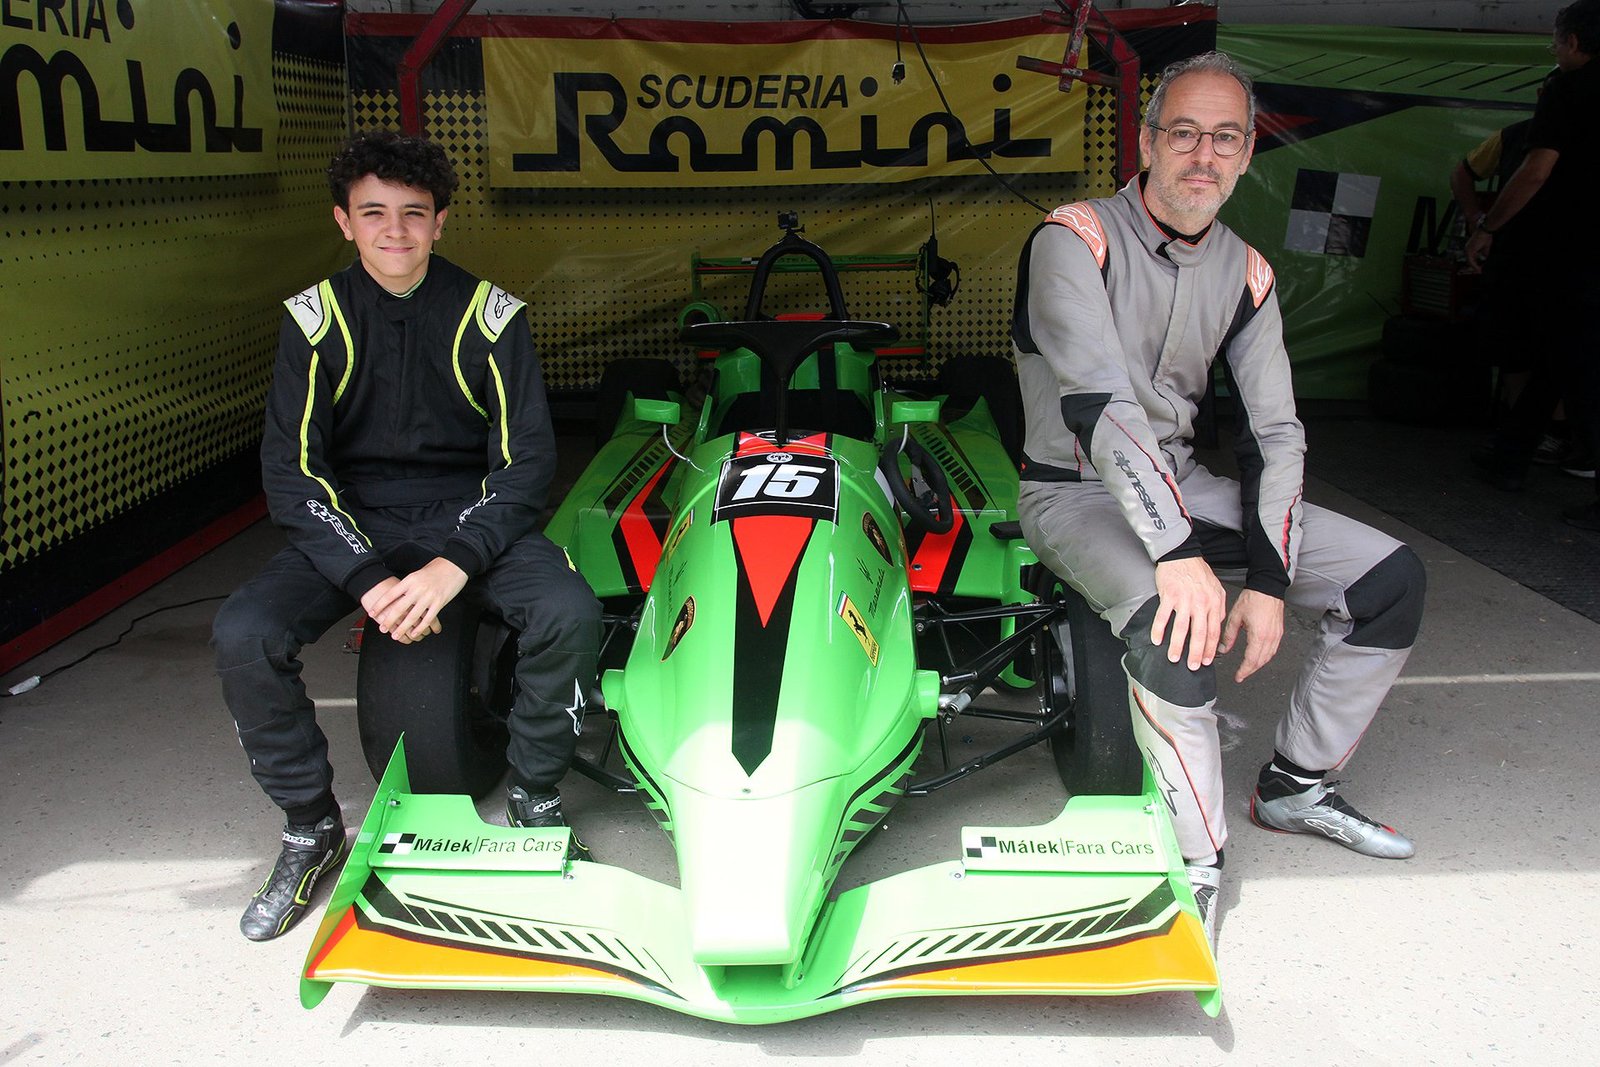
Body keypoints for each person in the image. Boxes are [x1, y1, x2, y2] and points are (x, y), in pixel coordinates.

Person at [1011, 52, 1427, 948]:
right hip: (1073, 490)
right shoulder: (1073, 237)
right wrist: (1178, 553)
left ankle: (1296, 786)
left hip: (1184, 484)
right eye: (1186, 133)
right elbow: (1097, 403)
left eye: (1226, 138)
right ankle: (1195, 861)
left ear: (1245, 156)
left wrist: (1270, 581)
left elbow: (1275, 432)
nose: (1204, 155)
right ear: (1147, 141)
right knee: (1179, 625)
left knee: (1390, 579)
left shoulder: (1248, 272)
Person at [212, 130, 601, 942]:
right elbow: (293, 471)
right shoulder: (313, 320)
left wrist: (455, 563)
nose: (395, 230)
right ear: (343, 220)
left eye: (414, 213)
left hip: (467, 511)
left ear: (441, 221)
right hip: (355, 517)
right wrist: (366, 578)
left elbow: (526, 463)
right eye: (373, 212)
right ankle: (311, 828)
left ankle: (534, 796)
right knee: (244, 630)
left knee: (568, 609)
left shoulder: (491, 315)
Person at [1465, 0, 1600, 527]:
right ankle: (1511, 455)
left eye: (1556, 41)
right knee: (1561, 358)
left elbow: (1537, 170)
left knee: (1578, 367)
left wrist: (1489, 226)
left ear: (1572, 42)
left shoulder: (1569, 89)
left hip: (1572, 252)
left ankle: (1515, 455)